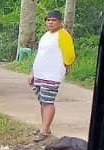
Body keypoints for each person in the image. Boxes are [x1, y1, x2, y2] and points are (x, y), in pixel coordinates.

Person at [29, 10, 76, 141]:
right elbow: (40, 55)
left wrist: (66, 65)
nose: (50, 22)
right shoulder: (45, 36)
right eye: (48, 20)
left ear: (60, 22)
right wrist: (32, 72)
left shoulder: (63, 35)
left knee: (48, 102)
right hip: (39, 73)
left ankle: (44, 131)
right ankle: (45, 127)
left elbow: (69, 54)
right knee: (43, 101)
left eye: (53, 20)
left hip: (51, 75)